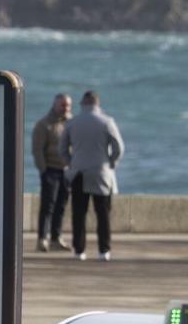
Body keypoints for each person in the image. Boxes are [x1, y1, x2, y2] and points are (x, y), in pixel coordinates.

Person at [60, 90, 124, 261]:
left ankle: (79, 251)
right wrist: (110, 162)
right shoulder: (107, 121)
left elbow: (62, 148)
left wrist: (71, 162)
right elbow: (119, 148)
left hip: (79, 173)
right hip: (101, 173)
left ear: (82, 104)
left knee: (79, 214)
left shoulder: (72, 123)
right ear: (97, 104)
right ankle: (104, 251)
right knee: (102, 214)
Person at [31, 93, 72, 252]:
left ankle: (56, 238)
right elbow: (37, 150)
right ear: (55, 105)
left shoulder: (71, 123)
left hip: (66, 171)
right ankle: (42, 238)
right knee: (48, 205)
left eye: (68, 105)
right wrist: (43, 170)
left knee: (61, 206)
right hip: (50, 170)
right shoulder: (44, 124)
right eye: (63, 105)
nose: (65, 108)